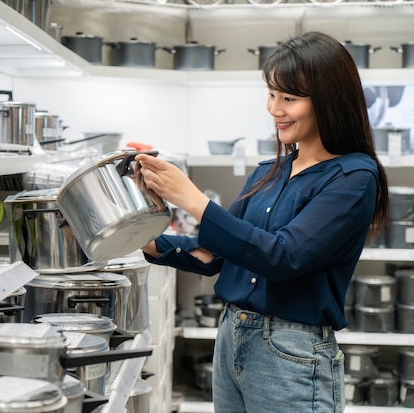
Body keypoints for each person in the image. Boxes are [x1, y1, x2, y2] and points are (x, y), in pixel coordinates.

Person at [135, 31, 389, 412]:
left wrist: (191, 198)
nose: (274, 109)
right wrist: (139, 238)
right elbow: (213, 254)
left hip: (291, 353)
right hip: (232, 336)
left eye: (289, 98)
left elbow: (283, 257)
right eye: (271, 94)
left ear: (330, 100)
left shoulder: (353, 176)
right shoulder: (268, 172)